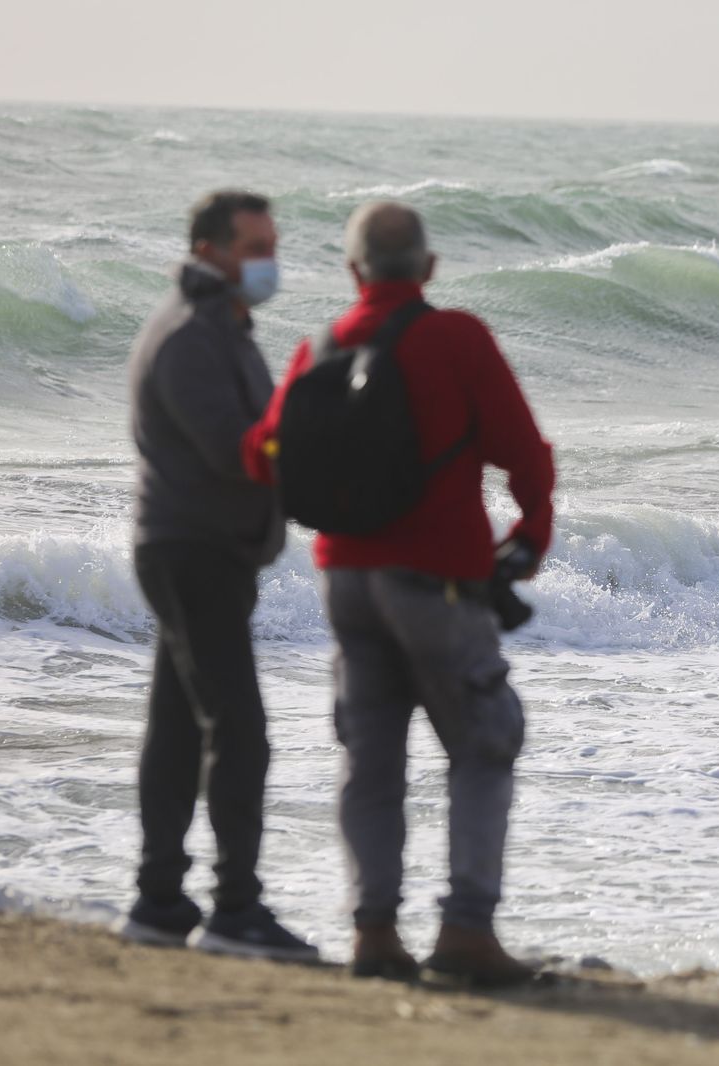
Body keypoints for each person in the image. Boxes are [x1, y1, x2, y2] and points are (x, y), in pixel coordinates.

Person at [242, 201, 556, 984]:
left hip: (344, 580)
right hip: (437, 580)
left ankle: (374, 934)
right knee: (484, 744)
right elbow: (526, 453)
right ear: (429, 267)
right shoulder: (457, 337)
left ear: (353, 272)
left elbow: (260, 455)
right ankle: (466, 933)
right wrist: (529, 537)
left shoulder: (318, 345)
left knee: (371, 759)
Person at [118, 190, 317, 962]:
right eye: (252, 246)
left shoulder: (222, 325)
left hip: (207, 549)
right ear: (207, 249)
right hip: (191, 550)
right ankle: (236, 910)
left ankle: (159, 901)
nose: (266, 260)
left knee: (176, 727)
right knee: (239, 728)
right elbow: (238, 449)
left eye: (271, 244)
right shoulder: (192, 335)